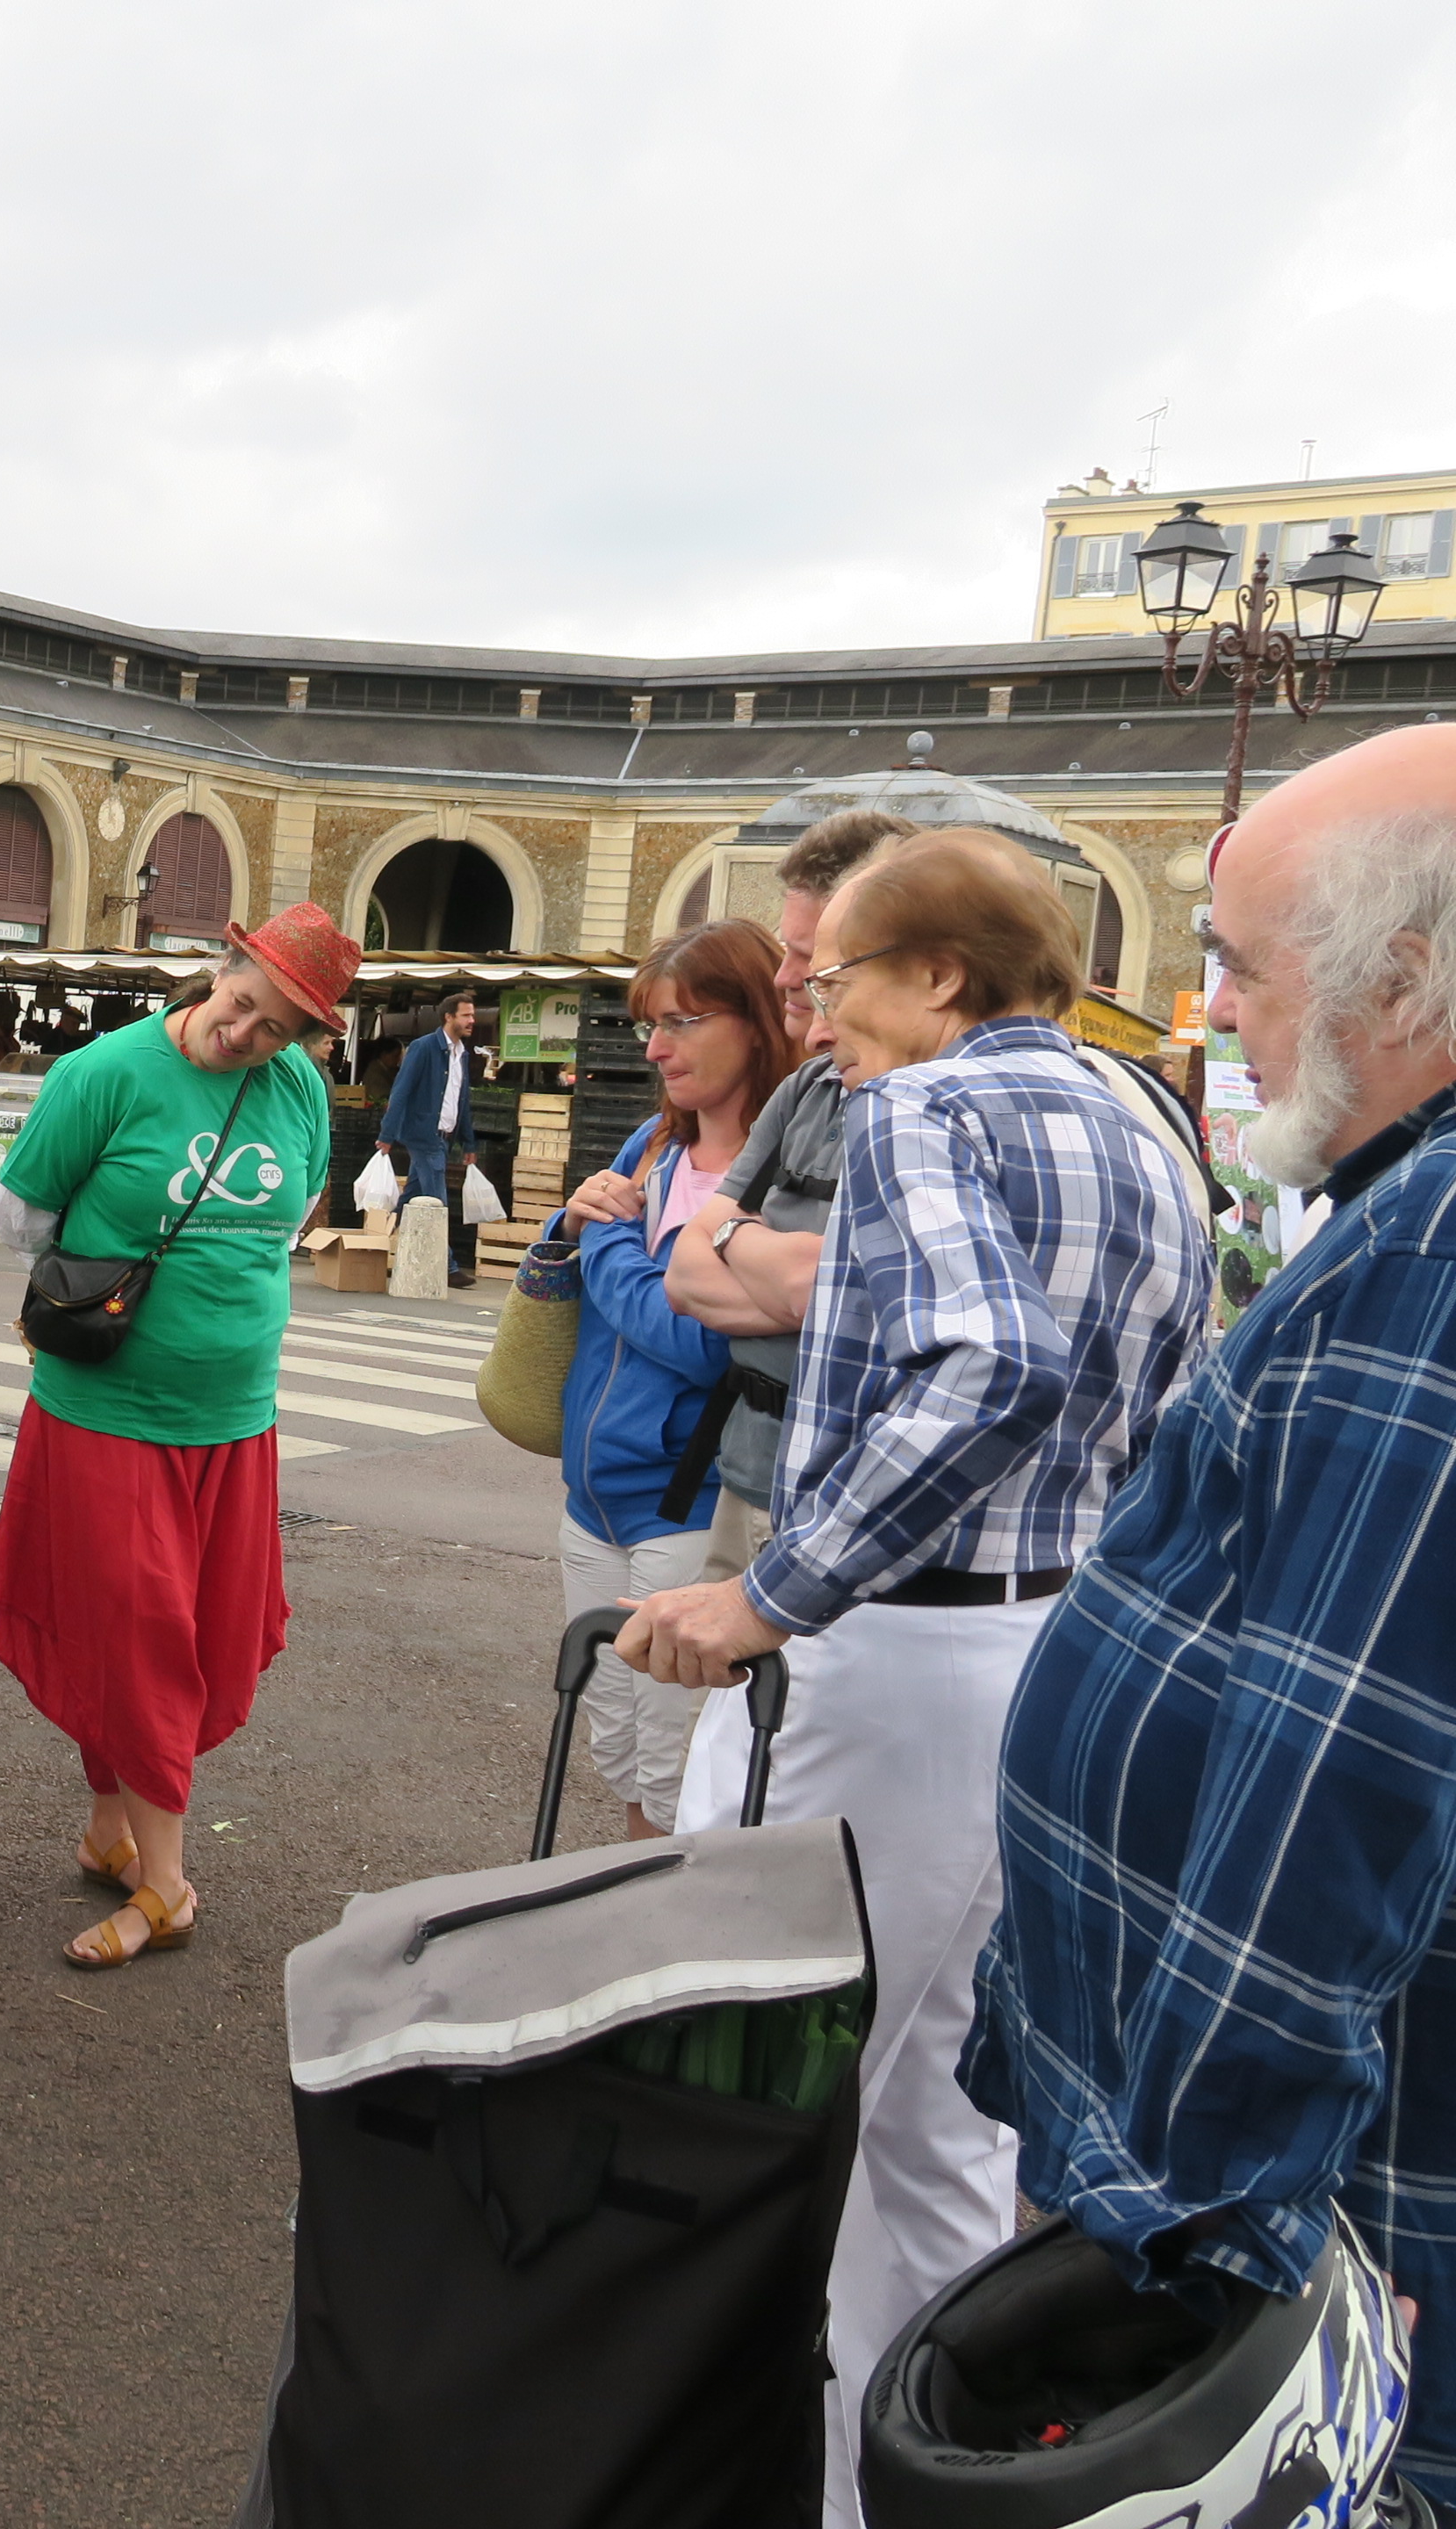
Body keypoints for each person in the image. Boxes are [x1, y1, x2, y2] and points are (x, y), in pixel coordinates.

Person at [619, 832, 1211, 2528]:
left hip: (891, 1652)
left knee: (766, 2097)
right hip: (1042, 1643)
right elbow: (1169, 1407)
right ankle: (911, 2487)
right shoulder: (1143, 1114)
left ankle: (760, 2480)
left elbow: (992, 1364)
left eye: (835, 981)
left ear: (941, 973)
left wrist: (775, 1592)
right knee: (941, 2125)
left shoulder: (922, 1108)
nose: (814, 1020)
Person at [962, 728, 1456, 2507]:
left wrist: (1202, 2235)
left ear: (1403, 976)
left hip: (1310, 2193)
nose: (1217, 1007)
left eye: (1243, 963)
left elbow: (1346, 1761)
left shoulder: (1440, 1247)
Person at [0, 904, 355, 1969]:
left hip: (236, 1419)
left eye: (276, 1028)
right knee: (140, 1635)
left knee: (189, 1632)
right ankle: (166, 1886)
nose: (245, 1034)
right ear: (218, 969)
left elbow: (295, 1213)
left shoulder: (296, 1091)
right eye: (241, 1003)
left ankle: (109, 1829)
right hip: (108, 1412)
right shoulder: (103, 1074)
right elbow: (23, 1221)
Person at [549, 919, 796, 1839]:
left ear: (758, 1023)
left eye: (684, 1021)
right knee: (616, 1746)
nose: (656, 1048)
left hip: (690, 1508)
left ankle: (662, 1916)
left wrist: (607, 1239)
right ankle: (638, 1900)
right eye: (651, 1024)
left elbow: (701, 1344)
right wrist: (565, 1228)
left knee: (676, 1767)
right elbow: (574, 1285)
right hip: (591, 1499)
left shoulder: (782, 1182)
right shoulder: (653, 1146)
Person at [663, 811, 919, 1583]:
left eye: (809, 960)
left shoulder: (931, 1112)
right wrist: (789, 1269)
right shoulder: (810, 1089)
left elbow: (825, 1285)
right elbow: (685, 1275)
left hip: (855, 1505)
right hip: (748, 1476)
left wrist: (737, 1240)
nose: (785, 978)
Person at [378, 989, 486, 1286]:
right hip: (424, 1136)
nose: (472, 1021)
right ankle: (448, 1267)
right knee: (437, 1201)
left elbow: (461, 1100)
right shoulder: (424, 1048)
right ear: (448, 1017)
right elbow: (401, 1090)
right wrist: (387, 1133)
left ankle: (376, 1242)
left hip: (445, 1138)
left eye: (473, 1015)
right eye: (466, 1015)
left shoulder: (461, 1054)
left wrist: (468, 1142)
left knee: (410, 1198)